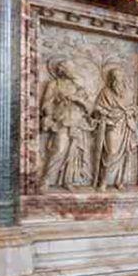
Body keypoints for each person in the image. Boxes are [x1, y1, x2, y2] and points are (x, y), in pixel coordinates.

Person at [40, 60, 94, 189]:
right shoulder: (54, 84)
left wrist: (78, 100)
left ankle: (68, 180)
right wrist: (51, 112)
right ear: (62, 70)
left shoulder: (79, 86)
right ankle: (46, 179)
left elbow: (89, 107)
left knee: (73, 151)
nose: (71, 71)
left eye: (72, 68)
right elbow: (46, 103)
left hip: (77, 122)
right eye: (68, 68)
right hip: (62, 120)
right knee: (59, 149)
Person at [92, 67, 138, 190]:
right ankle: (103, 181)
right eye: (114, 78)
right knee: (111, 152)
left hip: (126, 125)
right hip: (112, 125)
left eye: (119, 78)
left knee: (125, 153)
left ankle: (120, 181)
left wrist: (133, 111)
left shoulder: (129, 93)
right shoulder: (105, 92)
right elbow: (97, 108)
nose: (116, 81)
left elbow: (135, 108)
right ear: (111, 80)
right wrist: (108, 113)